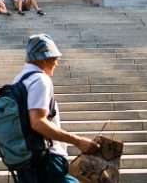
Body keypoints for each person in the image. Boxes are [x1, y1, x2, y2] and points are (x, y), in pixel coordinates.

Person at [10, 34, 97, 183]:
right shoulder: (40, 80)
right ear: (44, 59)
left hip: (26, 158)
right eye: (54, 58)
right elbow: (38, 122)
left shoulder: (19, 80)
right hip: (45, 160)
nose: (56, 63)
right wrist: (78, 141)